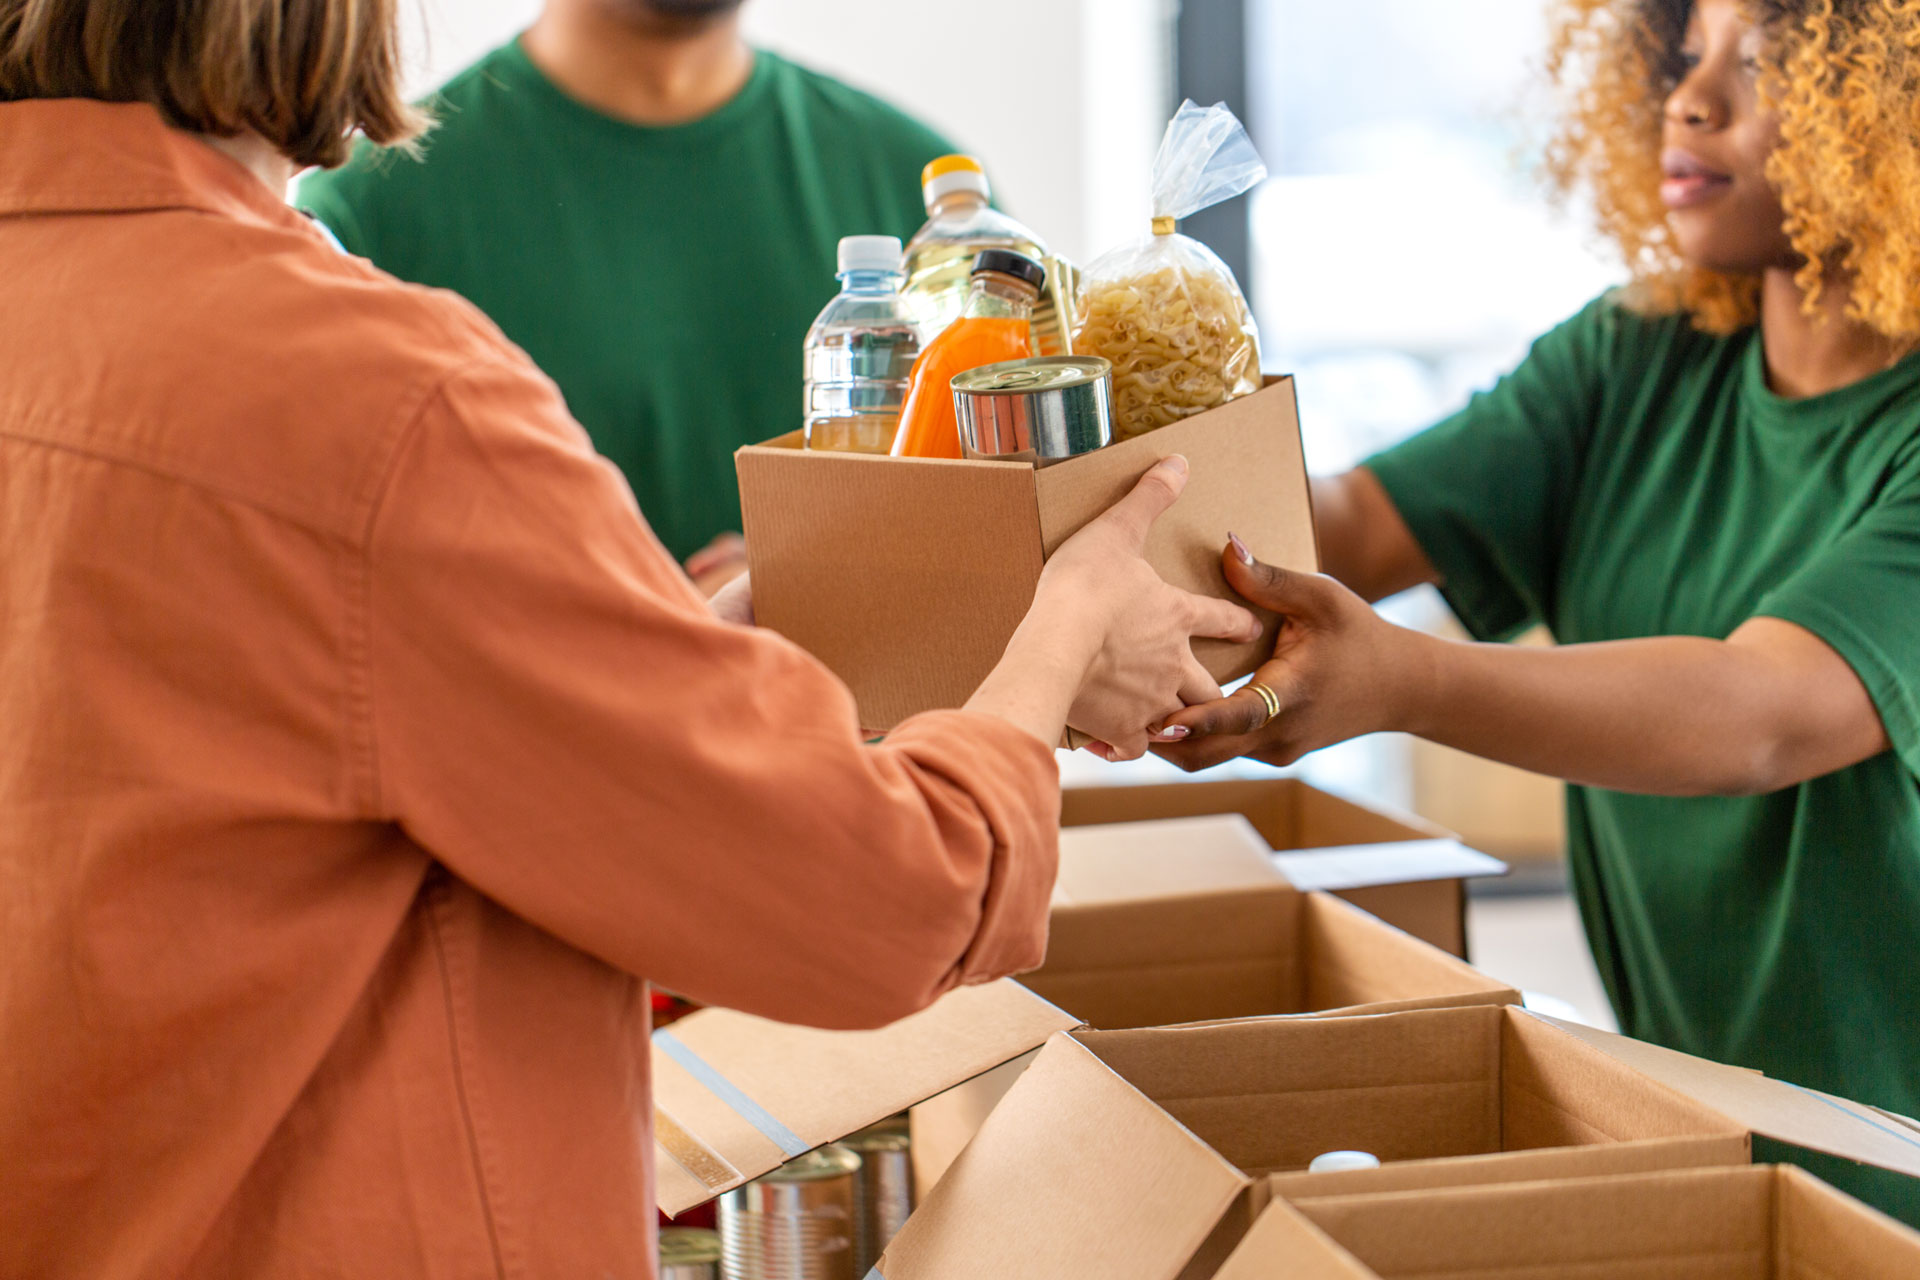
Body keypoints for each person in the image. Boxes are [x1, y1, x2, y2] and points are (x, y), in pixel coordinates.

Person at [0, 2, 1257, 1275]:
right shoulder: (376, 396)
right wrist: (1062, 638)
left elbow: (272, 779)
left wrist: (684, 647)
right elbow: (885, 896)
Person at [1159, 0, 1920, 1225]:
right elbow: (1342, 523)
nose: (1692, 96)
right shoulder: (1640, 355)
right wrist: (1069, 506)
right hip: (1728, 1141)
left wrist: (1400, 680)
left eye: (1768, 65)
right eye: (1685, 52)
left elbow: (1761, 714)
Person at [297, 0, 961, 593]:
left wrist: (818, 585)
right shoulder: (367, 219)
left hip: (870, 733)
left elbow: (1011, 549)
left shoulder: (927, 200)